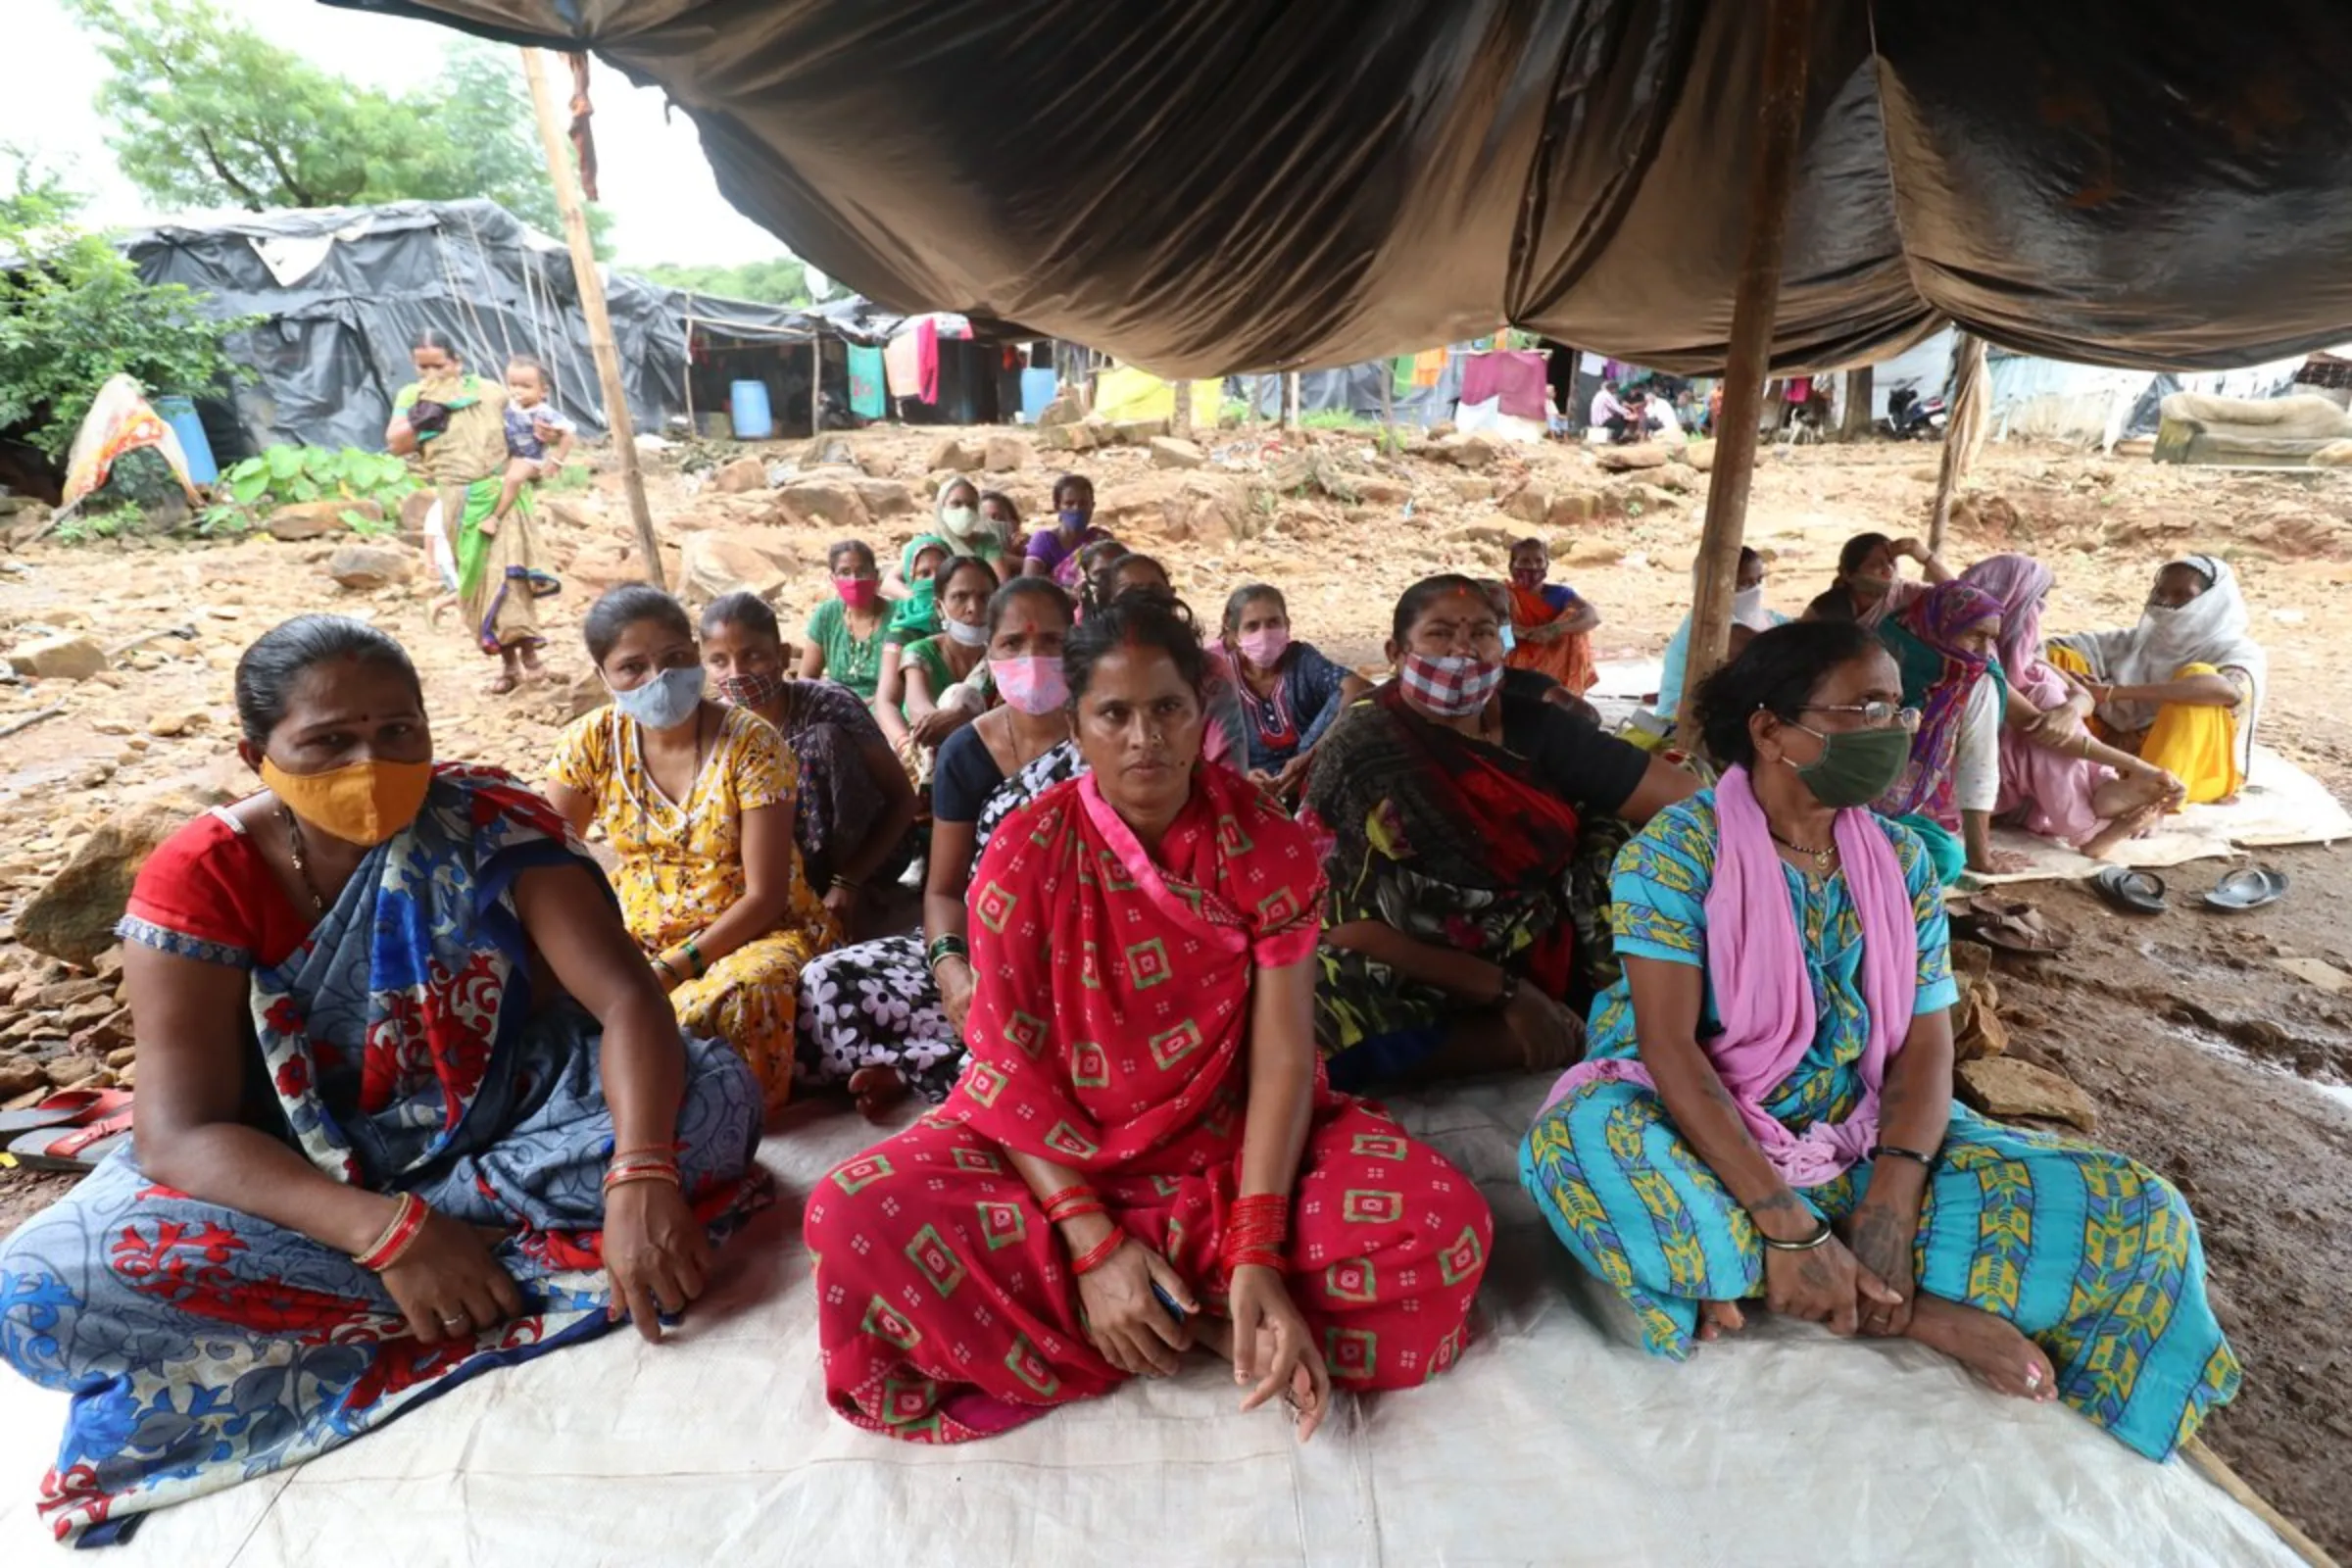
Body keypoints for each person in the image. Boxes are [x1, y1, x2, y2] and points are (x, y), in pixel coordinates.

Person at [0, 616, 763, 1544]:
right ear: (258, 755)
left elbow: (630, 1005)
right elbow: (178, 1133)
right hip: (301, 1177)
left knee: (716, 1095)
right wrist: (392, 1234)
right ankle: (481, 1267)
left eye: (399, 731)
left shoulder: (487, 823)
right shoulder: (203, 876)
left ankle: (457, 1269)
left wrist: (641, 1171)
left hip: (507, 1118)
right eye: (329, 741)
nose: (373, 760)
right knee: (36, 1287)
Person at [1518, 621, 2239, 1461]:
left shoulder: (1900, 860)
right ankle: (1910, 1308)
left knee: (2141, 1213)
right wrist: (1786, 1221)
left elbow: (1927, 1045)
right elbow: (1671, 1052)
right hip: (1709, 1128)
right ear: (1770, 729)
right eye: (1867, 708)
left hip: (1862, 1130)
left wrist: (1893, 1195)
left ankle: (1783, 1277)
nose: (1897, 731)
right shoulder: (1676, 856)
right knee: (1580, 1148)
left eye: (1900, 709)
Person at [805, 597, 1494, 1444]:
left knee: (1441, 1226)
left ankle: (1182, 1308)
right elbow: (1002, 1074)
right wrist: (1092, 1246)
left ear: (1201, 712)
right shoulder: (1024, 853)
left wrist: (1256, 1248)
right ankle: (1194, 1323)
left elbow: (1282, 1058)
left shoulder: (1265, 843)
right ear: (1076, 725)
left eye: (1167, 708)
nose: (1145, 738)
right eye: (1115, 714)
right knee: (847, 1213)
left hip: (1231, 1145)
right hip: (1055, 1161)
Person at [1304, 574, 1698, 1092]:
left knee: (1639, 843)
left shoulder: (1537, 724)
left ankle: (1592, 1018)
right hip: (1400, 957)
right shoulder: (1358, 748)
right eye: (1440, 634)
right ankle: (1545, 1031)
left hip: (1542, 943)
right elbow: (1334, 918)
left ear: (1503, 644)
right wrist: (1507, 993)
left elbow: (1691, 801)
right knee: (1306, 1028)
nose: (1464, 650)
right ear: (1397, 652)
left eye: (1484, 633)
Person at [795, 578, 1084, 1114]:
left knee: (1069, 1021)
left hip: (1083, 959)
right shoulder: (966, 751)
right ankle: (962, 1054)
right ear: (988, 653)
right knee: (826, 981)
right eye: (1013, 646)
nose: (1033, 659)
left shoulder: (1109, 738)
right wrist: (955, 975)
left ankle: (928, 1063)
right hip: (984, 950)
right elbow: (945, 892)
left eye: (1052, 642)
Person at [549, 585, 840, 1113]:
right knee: (552, 999)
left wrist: (671, 970)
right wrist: (599, 958)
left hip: (753, 932)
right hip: (638, 933)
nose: (657, 678)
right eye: (632, 667)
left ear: (694, 654)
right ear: (602, 677)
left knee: (744, 995)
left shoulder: (751, 743)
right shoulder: (589, 744)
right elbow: (550, 869)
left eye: (675, 658)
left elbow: (766, 895)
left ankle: (711, 1110)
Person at [701, 591, 917, 935]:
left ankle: (847, 896)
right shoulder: (717, 726)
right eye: (719, 661)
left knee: (821, 741)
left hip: (865, 857)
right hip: (779, 871)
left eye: (752, 656)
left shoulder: (828, 704)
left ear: (782, 655)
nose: (737, 673)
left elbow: (903, 799)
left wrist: (849, 881)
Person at [1959, 555, 2184, 856]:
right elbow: (2038, 727)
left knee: (2047, 688)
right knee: (2044, 704)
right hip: (1960, 782)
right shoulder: (1970, 656)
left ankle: (2103, 790)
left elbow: (2083, 693)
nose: (2039, 612)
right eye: (2038, 600)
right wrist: (2136, 765)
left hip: (2008, 780)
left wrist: (2072, 709)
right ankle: (2090, 827)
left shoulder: (2021, 657)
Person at [386, 329, 559, 695]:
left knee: (511, 577)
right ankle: (507, 666)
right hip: (458, 499)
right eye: (423, 367)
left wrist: (546, 437)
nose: (433, 374)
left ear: (458, 362)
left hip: (500, 495)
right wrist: (425, 418)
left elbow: (525, 428)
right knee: (477, 580)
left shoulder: (491, 392)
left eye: (440, 365)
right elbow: (396, 443)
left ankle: (532, 661)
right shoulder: (413, 396)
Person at [2047, 554, 2265, 805]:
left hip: (2196, 769)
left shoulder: (2237, 650)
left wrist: (2113, 693)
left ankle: (2156, 798)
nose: (2164, 603)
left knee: (2197, 680)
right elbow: (2048, 649)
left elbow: (2226, 692)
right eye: (2160, 592)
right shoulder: (2138, 642)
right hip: (2118, 755)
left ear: (2212, 602)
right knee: (2060, 657)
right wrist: (2074, 685)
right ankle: (2044, 766)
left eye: (2182, 595)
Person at [1872, 581, 2010, 877]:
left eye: (1992, 639)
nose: (1985, 652)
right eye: (1975, 634)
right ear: (1941, 623)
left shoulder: (1975, 680)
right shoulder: (1878, 649)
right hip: (1834, 792)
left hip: (1892, 812)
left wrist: (1979, 854)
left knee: (1944, 860)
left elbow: (1979, 764)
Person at [1221, 583, 1365, 795]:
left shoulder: (1301, 659)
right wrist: (1241, 775)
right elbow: (1205, 746)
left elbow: (1357, 687)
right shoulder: (1221, 677)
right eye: (1252, 626)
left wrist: (1312, 755)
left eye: (1273, 623)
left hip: (1312, 774)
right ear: (1235, 635)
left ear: (1287, 625)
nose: (1264, 634)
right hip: (1247, 787)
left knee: (1356, 705)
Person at [875, 553, 1000, 775]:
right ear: (939, 606)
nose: (973, 607)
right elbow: (921, 712)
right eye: (960, 597)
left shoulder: (1002, 658)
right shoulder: (920, 652)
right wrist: (963, 717)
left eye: (984, 598)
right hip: (927, 760)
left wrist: (967, 719)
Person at [1652, 547, 1783, 721]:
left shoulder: (1768, 618)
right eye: (1743, 584)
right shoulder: (1705, 623)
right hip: (1679, 722)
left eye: (1758, 581)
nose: (1755, 590)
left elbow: (1803, 631)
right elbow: (1761, 649)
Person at [886, 476, 1010, 603]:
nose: (965, 510)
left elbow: (1001, 585)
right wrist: (911, 597)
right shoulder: (930, 544)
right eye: (956, 504)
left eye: (971, 504)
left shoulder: (987, 542)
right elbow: (889, 582)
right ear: (941, 507)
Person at [1503, 536, 1600, 696]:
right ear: (1512, 566)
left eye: (1538, 561)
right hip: (1514, 657)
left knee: (1575, 617)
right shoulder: (1503, 593)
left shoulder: (1560, 594)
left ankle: (1567, 691)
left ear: (1546, 565)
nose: (1533, 567)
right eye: (1525, 561)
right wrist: (1523, 632)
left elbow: (1592, 617)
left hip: (1555, 659)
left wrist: (1555, 629)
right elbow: (1491, 623)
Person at [799, 539, 892, 703]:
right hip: (837, 708)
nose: (854, 579)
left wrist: (862, 706)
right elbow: (806, 679)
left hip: (885, 706)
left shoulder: (896, 617)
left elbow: (903, 685)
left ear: (876, 575)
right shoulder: (827, 615)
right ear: (833, 579)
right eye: (845, 572)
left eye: (862, 571)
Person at [490, 353, 576, 526]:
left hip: (530, 457)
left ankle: (495, 518)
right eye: (513, 385)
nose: (517, 391)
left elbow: (569, 433)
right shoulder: (508, 406)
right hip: (509, 454)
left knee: (513, 480)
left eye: (526, 386)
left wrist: (556, 460)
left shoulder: (543, 412)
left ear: (543, 391)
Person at [1801, 532, 1951, 627]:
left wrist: (1927, 559)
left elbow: (1965, 599)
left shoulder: (1904, 593)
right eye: (1875, 565)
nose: (1888, 570)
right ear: (1848, 575)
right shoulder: (1826, 609)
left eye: (1892, 562)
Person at [1023, 472, 1117, 585]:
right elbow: (1029, 582)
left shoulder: (1100, 539)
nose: (1077, 509)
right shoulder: (1044, 540)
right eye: (1069, 503)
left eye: (1083, 503)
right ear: (1057, 507)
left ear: (1092, 506)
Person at [884, 534, 951, 643]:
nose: (934, 579)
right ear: (911, 579)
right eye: (925, 574)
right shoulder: (900, 628)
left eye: (941, 571)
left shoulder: (968, 617)